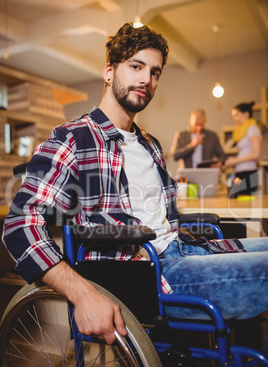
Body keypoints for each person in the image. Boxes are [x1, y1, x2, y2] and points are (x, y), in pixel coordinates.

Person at [2, 23, 268, 348]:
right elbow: (19, 226)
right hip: (146, 272)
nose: (146, 80)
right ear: (109, 72)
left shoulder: (150, 145)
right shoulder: (74, 137)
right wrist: (83, 293)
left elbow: (164, 219)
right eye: (136, 66)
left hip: (183, 249)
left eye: (155, 72)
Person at [225, 102, 262, 195]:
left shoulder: (252, 129)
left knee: (244, 203)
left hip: (248, 173)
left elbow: (256, 154)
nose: (234, 119)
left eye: (237, 115)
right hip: (241, 173)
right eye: (233, 116)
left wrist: (235, 161)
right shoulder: (241, 132)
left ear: (246, 114)